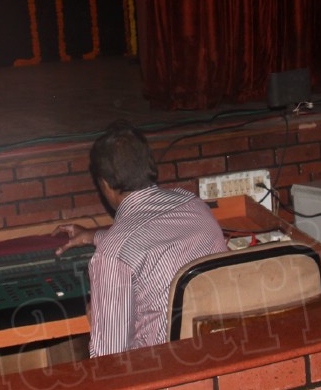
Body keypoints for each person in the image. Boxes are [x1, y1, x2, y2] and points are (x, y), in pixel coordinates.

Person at [54, 121, 227, 356]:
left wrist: (98, 321)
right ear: (149, 166)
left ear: (104, 184)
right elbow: (155, 237)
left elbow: (110, 358)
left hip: (161, 375)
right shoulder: (194, 206)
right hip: (218, 353)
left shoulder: (113, 254)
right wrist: (94, 236)